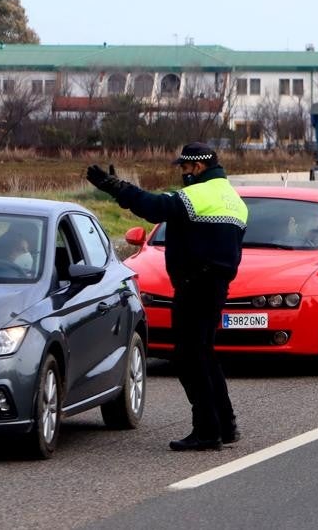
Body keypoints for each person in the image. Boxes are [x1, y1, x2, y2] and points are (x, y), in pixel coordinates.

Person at [86, 142, 247, 451]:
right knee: (205, 354)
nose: (183, 174)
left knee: (189, 358)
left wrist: (116, 188)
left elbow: (154, 208)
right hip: (216, 285)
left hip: (195, 285)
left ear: (197, 167)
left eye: (185, 168)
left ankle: (207, 430)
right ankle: (225, 425)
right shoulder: (234, 199)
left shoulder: (199, 195)